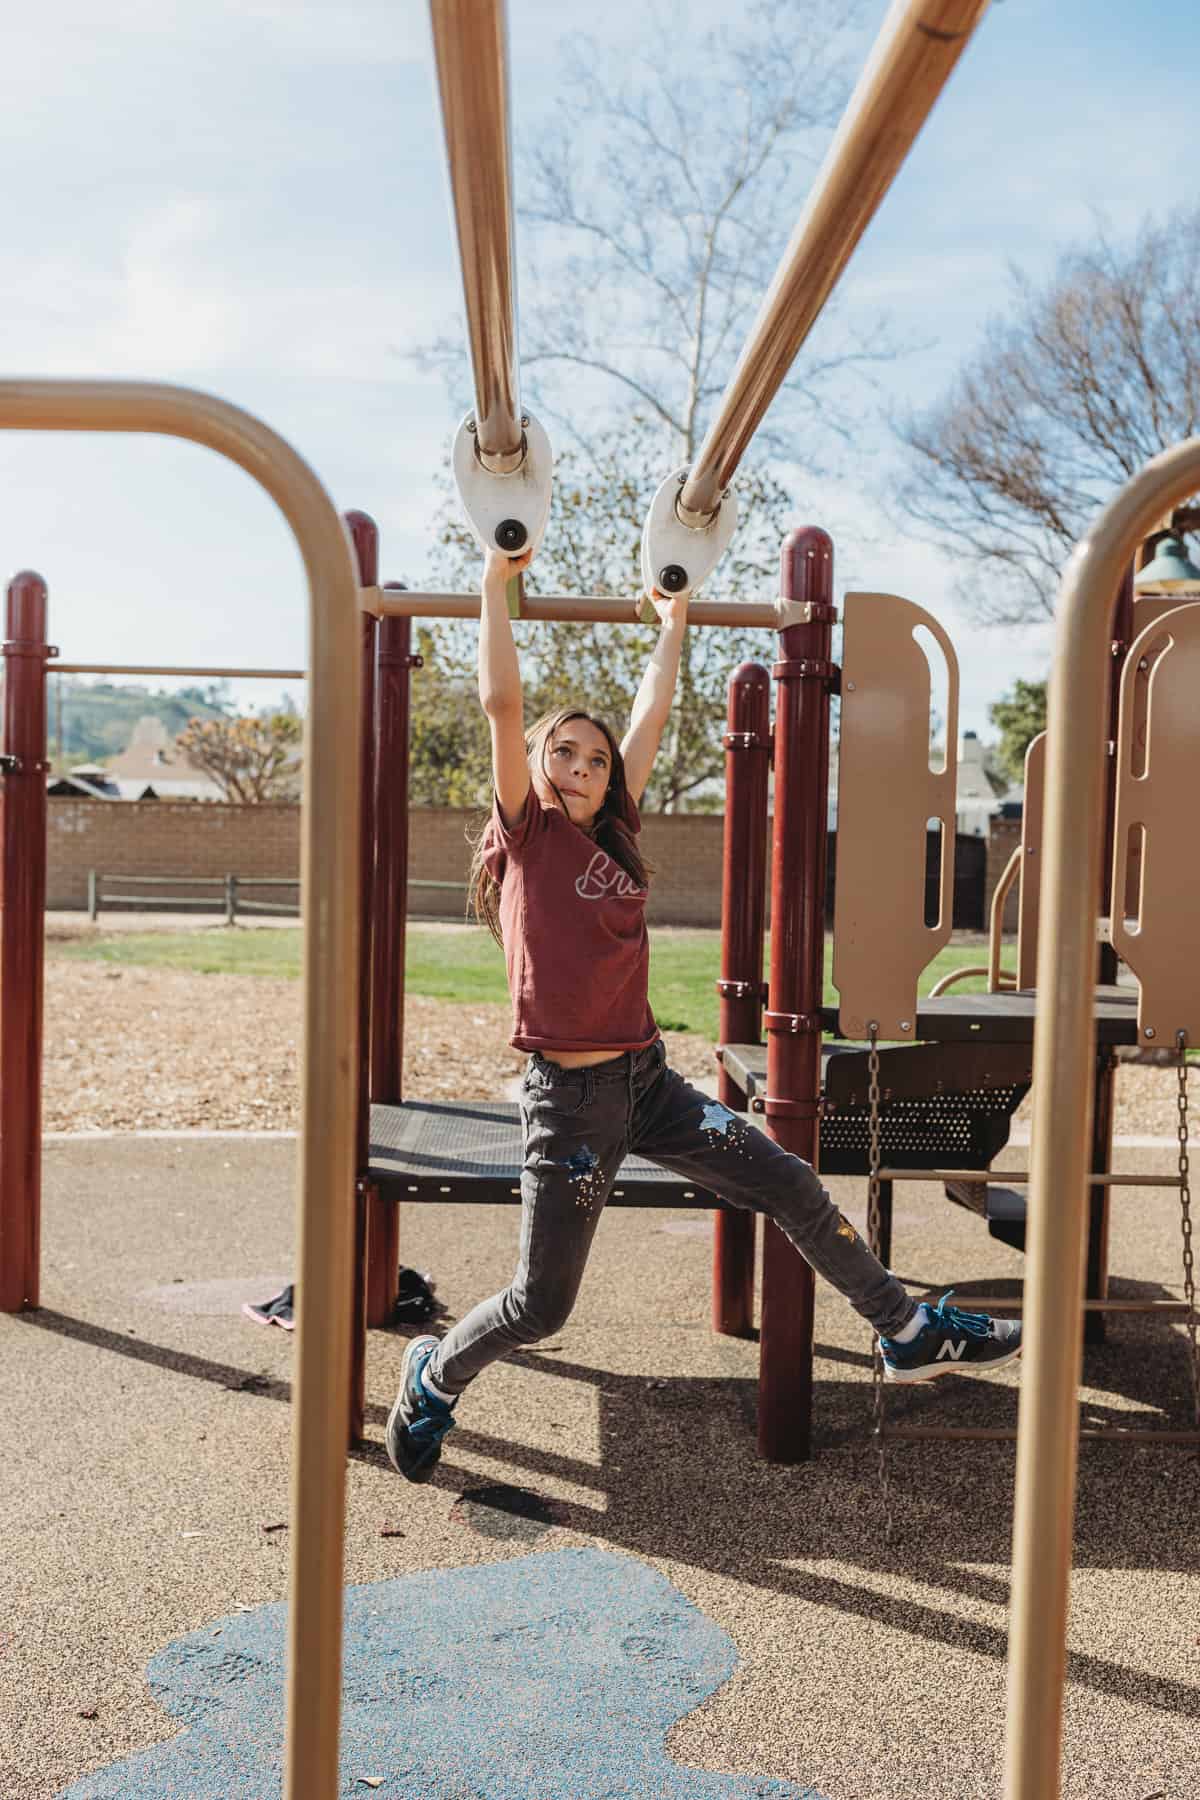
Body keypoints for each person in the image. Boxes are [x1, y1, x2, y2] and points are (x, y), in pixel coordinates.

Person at [385, 547, 1021, 1483]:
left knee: (791, 1183)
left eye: (594, 762)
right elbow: (500, 704)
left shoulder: (616, 831)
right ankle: (433, 1377)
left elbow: (648, 717)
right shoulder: (525, 833)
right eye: (562, 750)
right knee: (541, 1306)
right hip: (568, 1107)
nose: (580, 766)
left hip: (648, 1085)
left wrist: (673, 628)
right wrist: (492, 587)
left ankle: (907, 1327)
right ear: (532, 764)